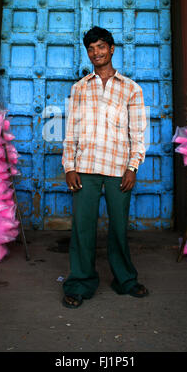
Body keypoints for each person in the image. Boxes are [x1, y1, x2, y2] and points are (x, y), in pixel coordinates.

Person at [61, 26, 148, 308]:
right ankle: (80, 283)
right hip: (85, 168)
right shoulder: (79, 88)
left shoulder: (131, 89)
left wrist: (133, 167)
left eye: (101, 47)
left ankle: (125, 279)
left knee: (119, 228)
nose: (96, 53)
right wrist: (69, 166)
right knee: (83, 229)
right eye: (91, 48)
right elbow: (70, 131)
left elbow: (138, 133)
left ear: (111, 49)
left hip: (117, 170)